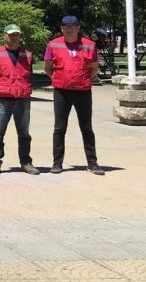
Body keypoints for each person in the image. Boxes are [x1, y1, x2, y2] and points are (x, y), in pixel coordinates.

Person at [44, 15, 104, 175]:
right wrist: (60, 78)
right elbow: (48, 68)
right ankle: (57, 163)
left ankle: (92, 163)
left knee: (86, 127)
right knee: (59, 128)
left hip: (83, 91)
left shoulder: (89, 45)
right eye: (65, 26)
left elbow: (94, 68)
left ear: (78, 28)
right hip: (61, 91)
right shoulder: (53, 44)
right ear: (61, 28)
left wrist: (81, 79)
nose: (69, 29)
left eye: (72, 26)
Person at [0, 24, 39, 175]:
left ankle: (26, 162)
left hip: (22, 100)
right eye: (11, 34)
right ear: (4, 36)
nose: (14, 37)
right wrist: (0, 89)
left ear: (20, 37)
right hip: (3, 100)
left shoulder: (27, 55)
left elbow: (27, 75)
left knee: (24, 134)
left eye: (17, 35)